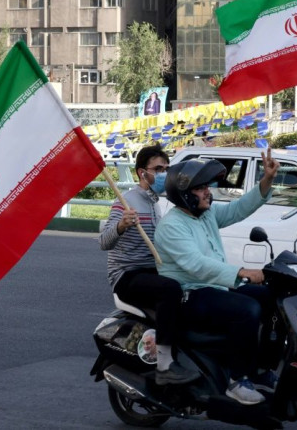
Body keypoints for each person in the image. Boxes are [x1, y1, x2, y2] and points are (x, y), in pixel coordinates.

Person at [154, 149, 280, 406]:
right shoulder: (172, 226)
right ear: (185, 194)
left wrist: (266, 180)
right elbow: (196, 265)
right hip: (192, 294)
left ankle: (258, 370)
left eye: (207, 187)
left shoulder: (205, 213)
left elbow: (238, 209)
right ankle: (236, 380)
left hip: (215, 287)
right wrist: (241, 272)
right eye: (201, 188)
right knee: (247, 309)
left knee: (270, 298)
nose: (207, 192)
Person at [99, 143, 199, 385]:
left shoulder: (155, 202)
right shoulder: (127, 202)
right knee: (170, 290)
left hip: (151, 269)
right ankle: (164, 365)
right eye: (159, 169)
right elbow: (104, 242)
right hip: (127, 275)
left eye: (166, 168)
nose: (164, 173)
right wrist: (122, 225)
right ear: (143, 173)